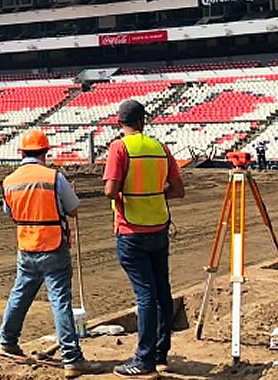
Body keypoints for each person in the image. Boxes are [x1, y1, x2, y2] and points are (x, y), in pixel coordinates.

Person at [0, 129, 99, 378]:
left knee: (20, 295)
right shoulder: (55, 178)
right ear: (45, 152)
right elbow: (73, 209)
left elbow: (9, 212)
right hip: (54, 246)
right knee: (60, 301)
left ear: (21, 152)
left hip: (27, 247)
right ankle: (71, 358)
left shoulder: (9, 181)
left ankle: (8, 342)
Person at [104, 100, 185, 378]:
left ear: (120, 122)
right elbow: (177, 190)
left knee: (146, 295)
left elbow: (110, 190)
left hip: (131, 231)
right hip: (159, 228)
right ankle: (161, 351)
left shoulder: (119, 147)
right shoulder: (161, 148)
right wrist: (154, 195)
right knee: (162, 290)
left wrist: (127, 198)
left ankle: (144, 358)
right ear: (143, 121)